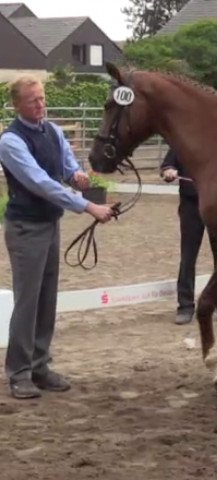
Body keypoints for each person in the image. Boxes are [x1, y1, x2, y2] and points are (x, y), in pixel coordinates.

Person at [0, 75, 114, 400]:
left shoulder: (53, 131)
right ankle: (19, 372)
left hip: (49, 225)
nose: (41, 104)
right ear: (17, 104)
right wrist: (88, 205)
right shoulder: (11, 142)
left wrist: (78, 177)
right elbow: (40, 183)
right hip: (26, 228)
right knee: (27, 301)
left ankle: (40, 365)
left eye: (42, 98)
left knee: (47, 298)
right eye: (33, 100)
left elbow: (65, 168)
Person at [160, 147, 217, 325]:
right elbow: (167, 165)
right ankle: (185, 307)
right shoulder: (182, 140)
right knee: (188, 257)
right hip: (191, 206)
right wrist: (169, 171)